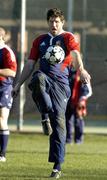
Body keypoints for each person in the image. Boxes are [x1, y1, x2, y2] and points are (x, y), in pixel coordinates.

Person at [12, 8, 91, 179]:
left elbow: (76, 54)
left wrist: (82, 70)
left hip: (62, 86)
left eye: (57, 21)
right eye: (51, 21)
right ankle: (45, 113)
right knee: (38, 78)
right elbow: (30, 64)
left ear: (62, 22)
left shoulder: (68, 38)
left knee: (59, 125)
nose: (54, 24)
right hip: (44, 80)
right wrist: (18, 84)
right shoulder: (40, 40)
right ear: (47, 22)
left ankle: (57, 166)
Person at [0, 27, 17, 162]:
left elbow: (12, 72)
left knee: (1, 119)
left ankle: (2, 154)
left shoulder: (6, 52)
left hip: (3, 88)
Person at [66, 68, 92, 144]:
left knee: (78, 121)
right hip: (68, 101)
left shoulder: (82, 73)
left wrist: (82, 99)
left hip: (78, 102)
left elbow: (87, 89)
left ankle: (78, 140)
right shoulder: (67, 72)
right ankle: (68, 140)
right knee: (67, 121)